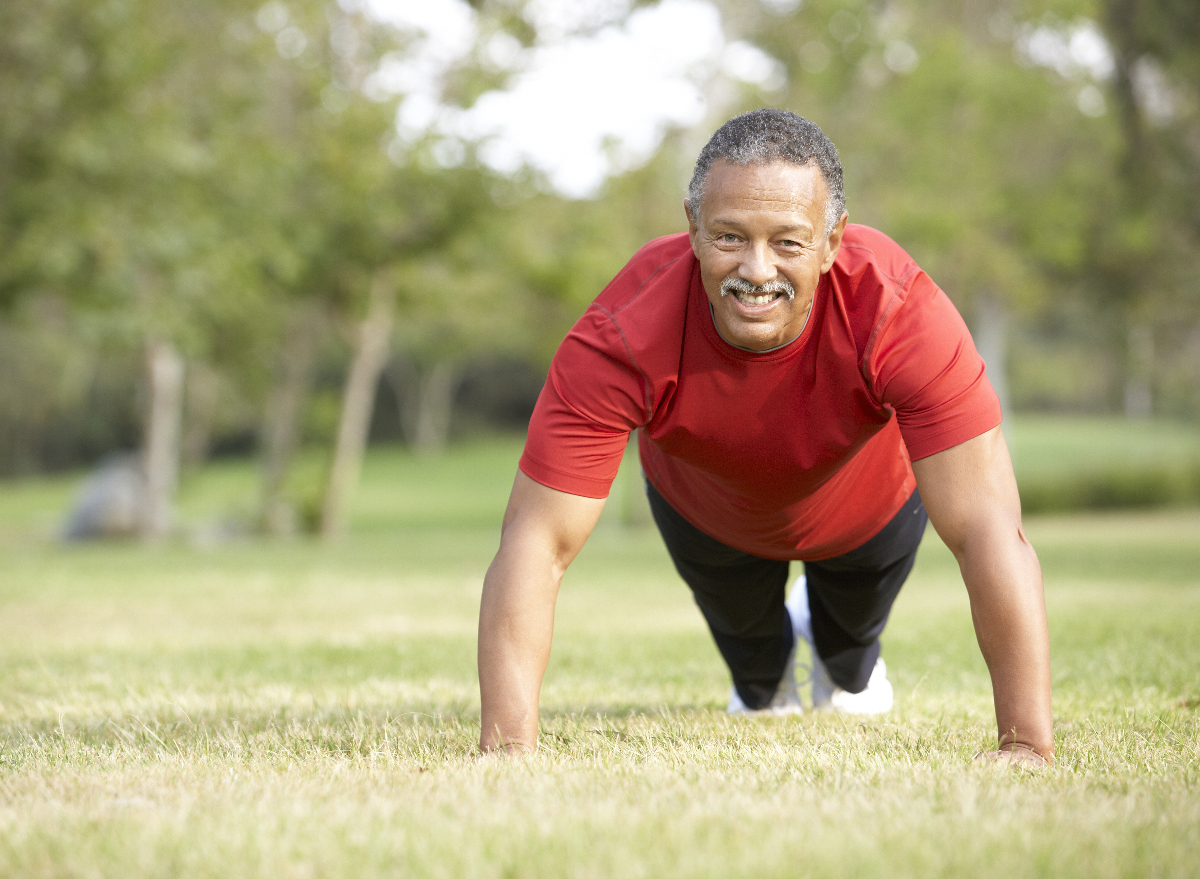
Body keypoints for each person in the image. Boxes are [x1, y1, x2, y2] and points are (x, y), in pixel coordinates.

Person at [477, 109, 1053, 767]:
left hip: (868, 510)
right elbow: (537, 538)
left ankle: (849, 660)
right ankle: (766, 667)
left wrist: (1027, 746)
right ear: (692, 229)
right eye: (728, 236)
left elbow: (987, 526)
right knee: (758, 680)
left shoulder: (898, 311)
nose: (755, 269)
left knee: (849, 659)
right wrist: (507, 750)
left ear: (834, 240)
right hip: (707, 513)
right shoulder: (623, 331)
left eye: (787, 241)